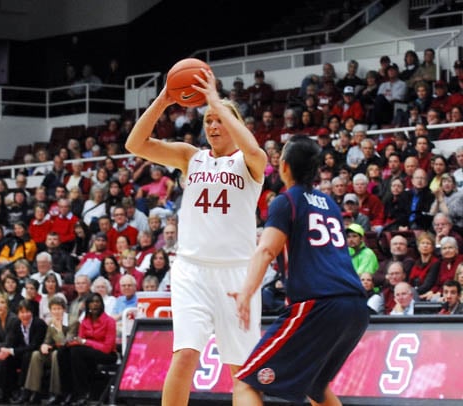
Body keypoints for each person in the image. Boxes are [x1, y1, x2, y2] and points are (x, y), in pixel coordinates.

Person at [126, 65, 267, 406]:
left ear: (236, 125)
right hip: (192, 271)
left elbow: (254, 150)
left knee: (242, 371)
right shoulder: (192, 158)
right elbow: (135, 143)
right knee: (185, 354)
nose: (213, 125)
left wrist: (216, 101)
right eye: (208, 121)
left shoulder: (250, 163)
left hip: (237, 275)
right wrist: (164, 97)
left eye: (219, 119)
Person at [231, 135, 368, 405]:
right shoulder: (329, 204)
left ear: (283, 166)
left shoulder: (285, 201)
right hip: (355, 307)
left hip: (319, 304)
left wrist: (245, 292)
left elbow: (267, 249)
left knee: (246, 382)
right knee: (316, 386)